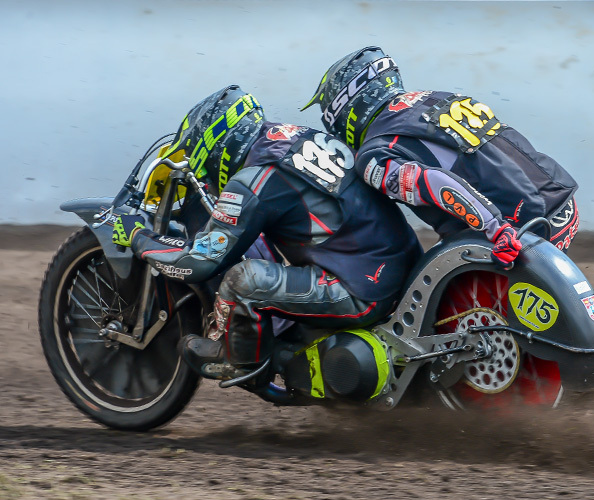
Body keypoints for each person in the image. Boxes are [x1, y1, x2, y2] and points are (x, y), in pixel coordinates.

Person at [301, 47, 594, 348]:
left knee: (444, 302)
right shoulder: (435, 98)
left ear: (347, 103)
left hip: (515, 225)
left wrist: (496, 228)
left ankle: (560, 367)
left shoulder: (375, 153)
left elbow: (435, 182)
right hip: (557, 201)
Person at [112, 84, 423, 382]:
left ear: (219, 145)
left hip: (362, 289)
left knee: (242, 280)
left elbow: (200, 262)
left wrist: (139, 237)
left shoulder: (252, 179)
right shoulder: (296, 137)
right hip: (401, 264)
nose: (205, 174)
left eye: (204, 163)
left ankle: (241, 364)